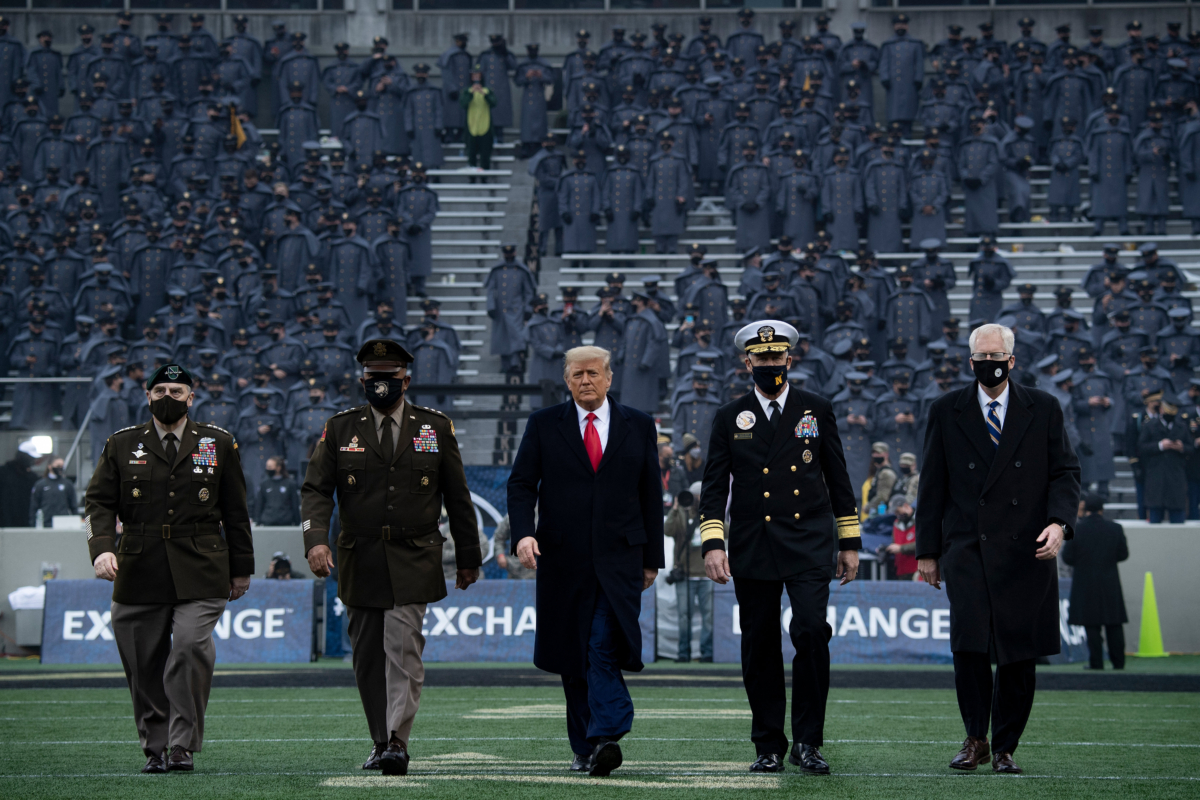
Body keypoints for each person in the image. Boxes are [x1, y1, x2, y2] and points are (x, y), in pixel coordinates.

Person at [301, 339, 481, 776]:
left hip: (414, 552)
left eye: (389, 377)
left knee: (403, 647)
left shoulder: (435, 427)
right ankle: (380, 740)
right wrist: (315, 541)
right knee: (366, 656)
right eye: (373, 377)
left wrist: (469, 556)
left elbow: (457, 496)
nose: (380, 384)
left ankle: (398, 740)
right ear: (362, 379)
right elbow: (316, 491)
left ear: (407, 379)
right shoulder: (340, 428)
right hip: (358, 554)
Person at [917, 323, 1080, 775]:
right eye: (980, 356)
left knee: (1018, 651)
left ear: (1012, 360)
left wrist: (1060, 523)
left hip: (1027, 549)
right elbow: (931, 486)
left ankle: (1006, 746)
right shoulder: (945, 410)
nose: (989, 363)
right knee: (968, 647)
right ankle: (975, 739)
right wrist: (926, 552)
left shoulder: (1043, 408)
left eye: (997, 355)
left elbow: (1065, 472)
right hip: (966, 547)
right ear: (970, 363)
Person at [699, 319, 861, 775]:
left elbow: (838, 477)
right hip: (754, 542)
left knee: (811, 632)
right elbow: (713, 488)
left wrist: (848, 541)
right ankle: (768, 744)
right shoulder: (730, 415)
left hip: (809, 540)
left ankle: (808, 742)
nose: (769, 364)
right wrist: (713, 543)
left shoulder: (817, 408)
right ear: (746, 361)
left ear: (790, 358)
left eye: (777, 357)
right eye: (761, 357)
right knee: (759, 645)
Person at [86, 363, 254, 774]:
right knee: (143, 665)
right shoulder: (122, 444)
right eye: (159, 390)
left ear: (191, 398)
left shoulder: (218, 443)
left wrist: (242, 568)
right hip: (139, 567)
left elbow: (236, 511)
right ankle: (155, 748)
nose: (167, 397)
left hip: (201, 566)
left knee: (190, 647)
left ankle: (182, 745)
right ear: (147, 396)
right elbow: (98, 504)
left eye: (176, 391)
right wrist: (101, 550)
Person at [506, 345, 664, 777]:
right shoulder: (543, 425)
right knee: (572, 654)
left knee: (599, 644)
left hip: (621, 560)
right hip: (562, 560)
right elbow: (521, 485)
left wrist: (653, 558)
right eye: (577, 375)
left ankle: (609, 730)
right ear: (566, 379)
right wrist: (523, 533)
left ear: (610, 378)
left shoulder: (640, 424)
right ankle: (587, 748)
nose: (585, 381)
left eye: (593, 373)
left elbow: (651, 493)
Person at [1063, 493, 1129, 670]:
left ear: (1085, 509)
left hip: (1085, 583)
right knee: (1114, 624)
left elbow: (1067, 557)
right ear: (1102, 509)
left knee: (1092, 626)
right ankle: (1119, 662)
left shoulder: (1077, 529)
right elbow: (1123, 554)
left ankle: (1096, 663)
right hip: (1110, 582)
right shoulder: (1115, 528)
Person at [666, 481, 712, 663]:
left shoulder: (708, 514)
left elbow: (726, 530)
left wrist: (712, 511)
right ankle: (683, 652)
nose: (698, 500)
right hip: (684, 574)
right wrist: (676, 508)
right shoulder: (682, 514)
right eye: (696, 496)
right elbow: (667, 530)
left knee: (708, 616)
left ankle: (707, 652)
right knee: (684, 616)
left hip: (705, 574)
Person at [1138, 392, 1193, 523]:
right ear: (1162, 409)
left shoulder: (1182, 427)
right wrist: (1160, 445)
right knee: (1155, 519)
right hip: (1156, 477)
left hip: (1176, 477)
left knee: (1178, 520)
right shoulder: (1150, 426)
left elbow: (1191, 448)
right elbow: (1141, 447)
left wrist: (1181, 447)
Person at [459, 65, 496, 170]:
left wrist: (484, 94)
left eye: (478, 75)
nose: (476, 78)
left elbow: (494, 103)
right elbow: (463, 104)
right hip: (471, 127)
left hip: (485, 126)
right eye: (474, 75)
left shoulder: (487, 90)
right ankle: (472, 177)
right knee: (471, 154)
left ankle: (484, 177)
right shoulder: (467, 91)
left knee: (485, 154)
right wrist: (471, 93)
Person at [28, 457, 77, 527]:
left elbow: (73, 506)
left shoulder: (68, 484)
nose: (60, 468)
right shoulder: (40, 484)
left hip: (63, 523)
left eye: (62, 466)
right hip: (46, 523)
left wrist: (75, 523)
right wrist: (32, 524)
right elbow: (34, 506)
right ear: (50, 466)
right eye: (58, 466)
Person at [253, 455, 299, 526]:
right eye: (267, 466)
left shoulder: (290, 484)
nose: (267, 469)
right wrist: (257, 521)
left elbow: (295, 504)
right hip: (267, 522)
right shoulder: (264, 484)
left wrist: (297, 522)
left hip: (286, 523)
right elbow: (259, 504)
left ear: (278, 468)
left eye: (270, 467)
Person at [883, 494, 918, 579]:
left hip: (917, 571)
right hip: (901, 571)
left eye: (898, 511)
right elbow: (895, 543)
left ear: (906, 506)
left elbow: (924, 545)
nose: (897, 514)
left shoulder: (920, 520)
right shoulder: (896, 524)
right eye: (895, 512)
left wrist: (901, 548)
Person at [492, 513, 536, 579]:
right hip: (513, 568)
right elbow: (499, 538)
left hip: (537, 570)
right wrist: (500, 555)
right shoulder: (513, 514)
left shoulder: (543, 514)